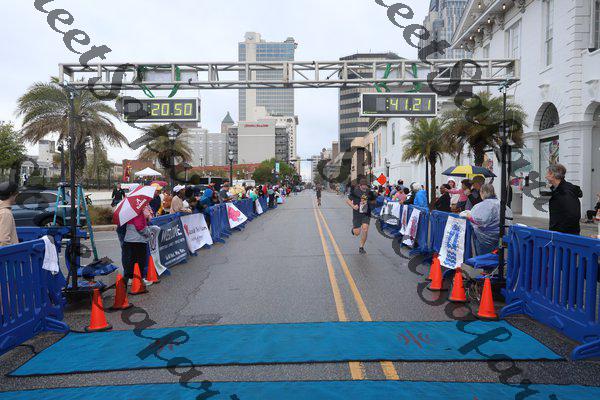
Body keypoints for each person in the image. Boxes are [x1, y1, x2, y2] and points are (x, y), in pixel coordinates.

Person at [462, 184, 510, 256]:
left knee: (484, 258)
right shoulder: (501, 203)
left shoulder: (482, 205)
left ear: (482, 192)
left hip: (484, 239)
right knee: (496, 256)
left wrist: (468, 216)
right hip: (499, 237)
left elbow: (479, 221)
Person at [546, 164, 582, 235]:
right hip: (560, 233)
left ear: (552, 175)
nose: (545, 176)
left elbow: (573, 215)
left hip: (565, 235)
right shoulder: (558, 189)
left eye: (547, 173)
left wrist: (559, 230)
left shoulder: (565, 191)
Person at [347, 178, 377, 254]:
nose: (365, 187)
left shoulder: (369, 192)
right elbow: (348, 201)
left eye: (366, 185)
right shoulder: (355, 192)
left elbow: (374, 201)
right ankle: (354, 230)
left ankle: (361, 247)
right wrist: (353, 206)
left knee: (365, 229)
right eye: (363, 185)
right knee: (357, 233)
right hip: (357, 214)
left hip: (366, 213)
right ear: (360, 185)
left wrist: (370, 203)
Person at [123, 210, 151, 287]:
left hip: (129, 239)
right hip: (138, 240)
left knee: (132, 261)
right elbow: (140, 227)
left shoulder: (130, 212)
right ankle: (140, 280)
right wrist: (148, 233)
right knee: (140, 261)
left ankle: (130, 279)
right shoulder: (138, 212)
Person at [0, 182, 19, 247]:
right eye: (17, 193)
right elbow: (3, 241)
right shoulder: (5, 213)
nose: (17, 196)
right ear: (11, 194)